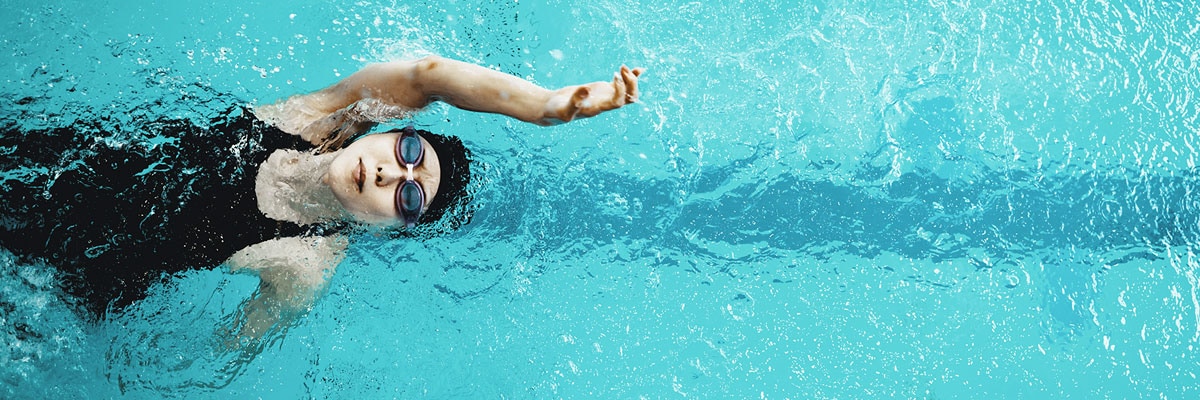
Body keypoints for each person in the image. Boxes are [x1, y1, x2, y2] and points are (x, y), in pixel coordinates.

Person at [0, 56, 644, 340]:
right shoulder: (319, 118)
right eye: (409, 154)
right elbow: (431, 77)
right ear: (393, 128)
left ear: (391, 229)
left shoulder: (305, 264)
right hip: (56, 166)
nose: (395, 176)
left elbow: (225, 352)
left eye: (410, 200)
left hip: (67, 279)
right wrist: (550, 107)